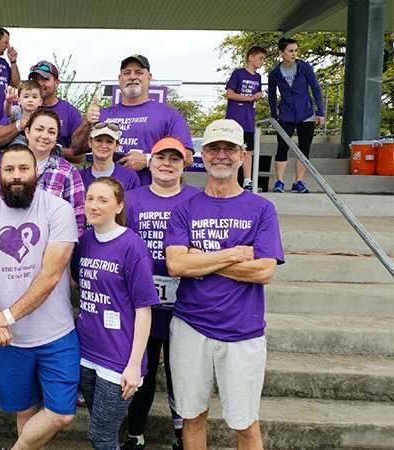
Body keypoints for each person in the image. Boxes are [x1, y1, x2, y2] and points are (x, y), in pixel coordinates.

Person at [165, 119, 284, 450]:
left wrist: (200, 260)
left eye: (229, 149)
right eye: (214, 148)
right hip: (191, 326)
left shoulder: (262, 208)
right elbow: (176, 264)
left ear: (242, 155)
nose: (221, 155)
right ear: (203, 154)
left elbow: (263, 271)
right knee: (192, 418)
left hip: (243, 331)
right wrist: (234, 254)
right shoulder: (184, 208)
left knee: (246, 424)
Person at [0, 144, 79, 450]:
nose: (16, 176)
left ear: (36, 172)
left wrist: (6, 316)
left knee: (61, 413)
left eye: (23, 169)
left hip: (56, 334)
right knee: (24, 411)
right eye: (9, 169)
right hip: (8, 338)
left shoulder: (58, 209)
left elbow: (52, 274)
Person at [122, 137, 200, 450]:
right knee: (143, 371)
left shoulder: (197, 199)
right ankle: (135, 434)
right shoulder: (130, 200)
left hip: (186, 303)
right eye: (160, 158)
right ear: (150, 161)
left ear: (184, 166)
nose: (167, 164)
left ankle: (183, 435)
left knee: (181, 374)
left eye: (174, 159)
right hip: (142, 305)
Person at [72, 177, 158, 450]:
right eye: (90, 198)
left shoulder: (132, 246)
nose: (93, 205)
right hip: (87, 354)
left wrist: (134, 365)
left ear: (119, 206)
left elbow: (144, 310)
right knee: (102, 432)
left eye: (103, 200)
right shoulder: (85, 240)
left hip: (118, 359)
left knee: (101, 437)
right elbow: (77, 282)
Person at [73, 55, 194, 186]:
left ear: (149, 78)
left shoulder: (169, 115)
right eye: (127, 73)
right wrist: (87, 123)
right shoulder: (103, 114)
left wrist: (148, 160)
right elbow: (76, 150)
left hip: (149, 197)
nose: (132, 77)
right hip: (105, 198)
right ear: (119, 79)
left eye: (139, 72)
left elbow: (187, 157)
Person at [0, 109, 86, 232]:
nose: (44, 136)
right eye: (39, 129)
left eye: (51, 132)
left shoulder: (68, 172)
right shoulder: (3, 165)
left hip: (54, 247)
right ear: (27, 132)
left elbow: (78, 219)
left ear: (56, 138)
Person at [268, 37, 325, 193]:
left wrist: (320, 112)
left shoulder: (304, 67)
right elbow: (272, 96)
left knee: (304, 148)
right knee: (282, 148)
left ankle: (298, 182)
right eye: (290, 51)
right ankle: (279, 182)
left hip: (306, 114)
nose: (294, 54)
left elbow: (315, 88)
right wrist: (274, 116)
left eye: (295, 51)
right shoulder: (274, 74)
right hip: (285, 115)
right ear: (281, 53)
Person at [225, 46, 267, 191]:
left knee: (247, 150)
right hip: (235, 118)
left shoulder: (258, 77)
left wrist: (257, 97)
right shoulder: (238, 73)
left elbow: (255, 95)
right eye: (260, 58)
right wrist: (248, 97)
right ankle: (230, 179)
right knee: (232, 149)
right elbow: (229, 94)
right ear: (251, 57)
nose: (262, 62)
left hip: (249, 119)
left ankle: (247, 180)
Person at [79, 122, 141, 192]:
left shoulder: (129, 177)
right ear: (90, 143)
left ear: (117, 146)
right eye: (99, 140)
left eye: (109, 142)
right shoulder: (78, 177)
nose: (104, 145)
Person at [0, 80, 43, 147]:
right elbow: (7, 112)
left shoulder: (41, 115)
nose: (30, 100)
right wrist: (8, 102)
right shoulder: (17, 110)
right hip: (18, 141)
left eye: (34, 97)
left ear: (40, 101)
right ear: (18, 100)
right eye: (26, 97)